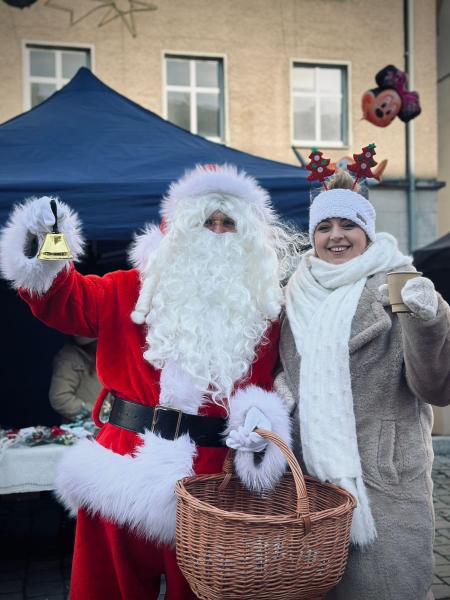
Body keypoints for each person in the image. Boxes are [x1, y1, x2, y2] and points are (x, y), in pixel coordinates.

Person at [0, 164, 299, 600]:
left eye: (228, 223)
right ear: (177, 229)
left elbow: (274, 384)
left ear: (248, 236)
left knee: (206, 592)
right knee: (106, 591)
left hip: (212, 479)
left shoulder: (265, 312)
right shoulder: (127, 289)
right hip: (123, 464)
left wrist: (263, 422)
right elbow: (61, 299)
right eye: (205, 221)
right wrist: (49, 242)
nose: (216, 232)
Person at [274, 169, 450, 600]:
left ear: (367, 232)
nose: (336, 236)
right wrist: (279, 390)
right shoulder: (292, 293)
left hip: (382, 479)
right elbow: (290, 367)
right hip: (309, 483)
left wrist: (429, 322)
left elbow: (435, 388)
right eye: (324, 227)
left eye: (348, 225)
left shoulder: (399, 284)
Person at [49, 335, 102, 421]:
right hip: (82, 428)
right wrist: (94, 413)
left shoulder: (102, 355)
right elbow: (60, 398)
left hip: (104, 424)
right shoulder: (68, 358)